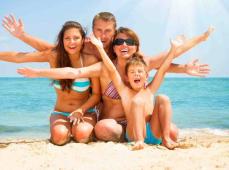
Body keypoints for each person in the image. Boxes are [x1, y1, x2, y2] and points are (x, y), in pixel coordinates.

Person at [3, 12, 212, 142]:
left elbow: (165, 60)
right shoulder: (90, 50)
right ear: (92, 32)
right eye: (98, 31)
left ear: (114, 33)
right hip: (110, 120)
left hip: (138, 119)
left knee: (174, 133)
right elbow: (54, 51)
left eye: (108, 32)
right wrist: (23, 37)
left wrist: (185, 67)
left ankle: (145, 136)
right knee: (102, 129)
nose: (103, 36)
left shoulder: (132, 56)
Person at [0, 21, 101, 145]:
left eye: (76, 38)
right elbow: (20, 57)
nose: (71, 42)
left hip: (85, 112)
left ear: (82, 40)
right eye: (67, 38)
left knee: (82, 135)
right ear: (62, 40)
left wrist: (81, 110)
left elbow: (96, 94)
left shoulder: (90, 60)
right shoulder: (54, 56)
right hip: (61, 112)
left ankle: (81, 129)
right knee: (59, 138)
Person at [90, 32, 181, 150]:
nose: (136, 74)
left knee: (163, 98)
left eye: (139, 72)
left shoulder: (149, 90)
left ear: (146, 76)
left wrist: (173, 49)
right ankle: (139, 141)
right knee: (137, 102)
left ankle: (166, 139)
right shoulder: (125, 92)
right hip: (134, 134)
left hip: (153, 132)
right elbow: (112, 70)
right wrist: (100, 48)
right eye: (132, 72)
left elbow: (163, 69)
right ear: (127, 77)